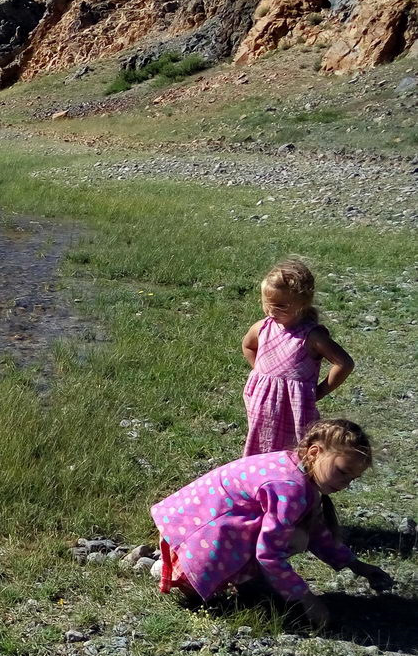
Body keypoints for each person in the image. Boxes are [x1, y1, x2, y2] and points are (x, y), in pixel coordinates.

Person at [151, 418, 393, 625]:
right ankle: (180, 570)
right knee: (295, 538)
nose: (345, 484)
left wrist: (354, 564)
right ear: (314, 452)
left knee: (299, 533)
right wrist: (305, 598)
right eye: (342, 472)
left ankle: (234, 577)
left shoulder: (296, 469)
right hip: (196, 537)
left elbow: (317, 531)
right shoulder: (291, 488)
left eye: (352, 479)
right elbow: (269, 553)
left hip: (186, 524)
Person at [242, 259, 354, 457]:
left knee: (295, 454)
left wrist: (319, 391)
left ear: (303, 302)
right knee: (261, 451)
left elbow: (344, 363)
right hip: (261, 407)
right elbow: (248, 345)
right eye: (266, 303)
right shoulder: (263, 327)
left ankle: (293, 487)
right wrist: (260, 373)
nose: (270, 310)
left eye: (280, 305)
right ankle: (262, 484)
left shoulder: (312, 336)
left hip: (296, 410)